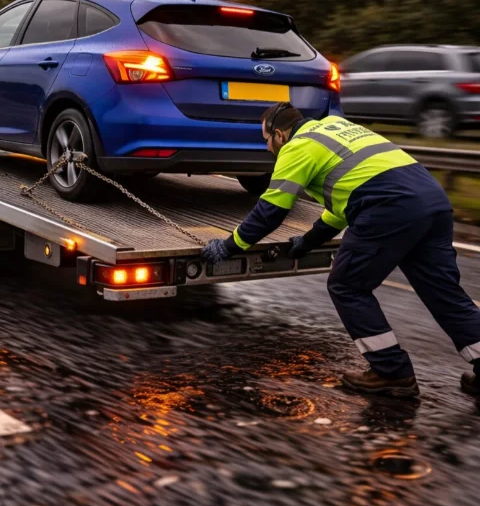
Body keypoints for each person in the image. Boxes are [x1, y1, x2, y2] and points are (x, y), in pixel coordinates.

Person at [201, 102, 480, 398]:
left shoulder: (298, 146)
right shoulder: (340, 130)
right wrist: (308, 241)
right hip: (433, 203)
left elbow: (271, 209)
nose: (268, 148)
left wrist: (230, 246)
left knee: (347, 286)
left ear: (280, 135)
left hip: (389, 208)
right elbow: (341, 207)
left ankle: (391, 372)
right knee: (444, 293)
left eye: (266, 140)